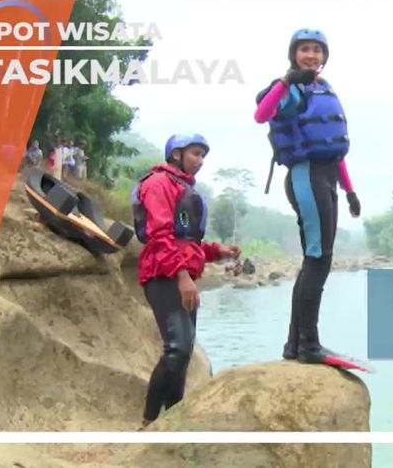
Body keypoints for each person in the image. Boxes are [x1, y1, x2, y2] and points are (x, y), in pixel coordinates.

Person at [254, 28, 362, 366]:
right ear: (294, 54)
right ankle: (309, 344)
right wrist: (287, 81)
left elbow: (332, 148)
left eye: (317, 50)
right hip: (306, 177)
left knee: (318, 259)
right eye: (304, 50)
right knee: (318, 258)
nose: (311, 55)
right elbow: (262, 115)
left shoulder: (324, 89)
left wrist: (350, 191)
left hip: (327, 177)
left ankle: (294, 344)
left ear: (325, 56)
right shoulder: (291, 89)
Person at [132, 133, 240, 427]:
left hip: (181, 274)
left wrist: (219, 252)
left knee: (185, 352)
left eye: (203, 155)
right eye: (195, 153)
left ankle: (173, 421)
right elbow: (159, 236)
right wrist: (182, 276)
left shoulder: (182, 189)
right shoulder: (158, 184)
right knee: (177, 348)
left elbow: (188, 244)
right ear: (176, 154)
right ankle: (148, 422)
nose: (200, 161)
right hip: (162, 275)